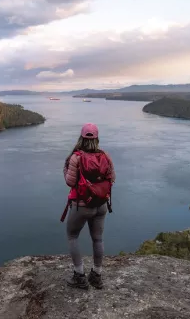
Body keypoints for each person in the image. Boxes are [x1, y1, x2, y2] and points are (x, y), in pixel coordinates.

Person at [62, 123, 115, 290]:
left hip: (82, 205)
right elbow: (112, 179)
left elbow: (70, 182)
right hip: (101, 205)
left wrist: (66, 170)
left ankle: (79, 276)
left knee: (72, 236)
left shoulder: (76, 157)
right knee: (98, 239)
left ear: (81, 138)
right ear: (97, 138)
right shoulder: (105, 156)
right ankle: (97, 275)